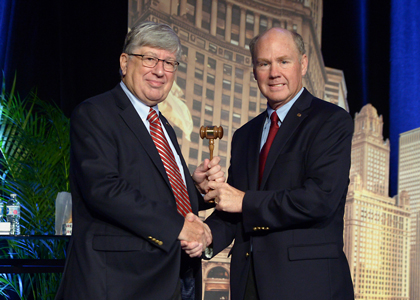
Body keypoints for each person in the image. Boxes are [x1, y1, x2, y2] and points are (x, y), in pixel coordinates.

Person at [55, 21, 224, 300]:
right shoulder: (95, 113)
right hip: (119, 283)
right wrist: (180, 227)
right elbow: (105, 190)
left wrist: (195, 190)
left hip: (174, 276)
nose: (160, 70)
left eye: (169, 62)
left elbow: (154, 191)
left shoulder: (163, 125)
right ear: (124, 62)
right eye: (149, 58)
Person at [203, 28, 355, 300]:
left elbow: (320, 199)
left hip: (308, 287)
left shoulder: (331, 121)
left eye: (284, 61)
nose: (274, 73)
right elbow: (233, 210)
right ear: (254, 70)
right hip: (247, 284)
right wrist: (204, 235)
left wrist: (244, 201)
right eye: (264, 63)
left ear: (303, 64)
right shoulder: (244, 135)